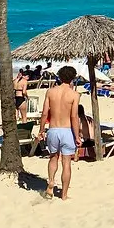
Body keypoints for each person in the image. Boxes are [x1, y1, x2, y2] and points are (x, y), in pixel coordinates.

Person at [37, 65, 81, 200]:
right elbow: (74, 116)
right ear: (73, 78)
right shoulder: (75, 95)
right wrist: (77, 135)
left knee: (53, 158)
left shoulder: (50, 92)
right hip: (67, 131)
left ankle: (50, 182)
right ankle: (64, 195)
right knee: (66, 163)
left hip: (53, 129)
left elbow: (45, 113)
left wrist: (41, 130)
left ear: (60, 77)